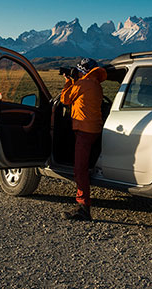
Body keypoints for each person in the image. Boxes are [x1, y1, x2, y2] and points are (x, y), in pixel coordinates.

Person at [60, 57, 107, 221]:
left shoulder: (82, 84)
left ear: (84, 71)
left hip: (84, 130)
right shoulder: (95, 84)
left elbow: (64, 99)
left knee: (79, 169)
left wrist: (69, 82)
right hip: (94, 129)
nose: (77, 73)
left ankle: (83, 207)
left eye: (79, 71)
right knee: (84, 165)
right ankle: (83, 204)